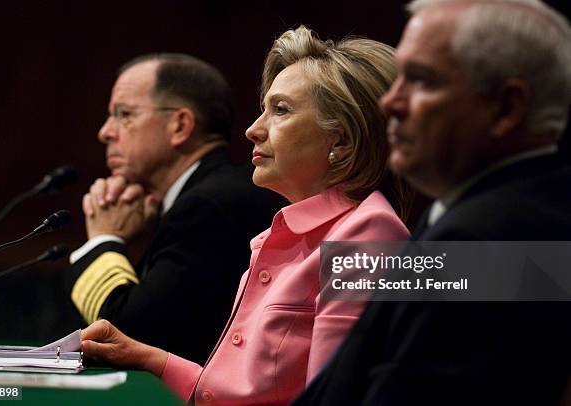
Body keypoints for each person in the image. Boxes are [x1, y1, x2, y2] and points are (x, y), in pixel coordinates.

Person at [79, 26, 411, 405]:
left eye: (281, 110)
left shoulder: (368, 232)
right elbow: (239, 391)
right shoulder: (277, 234)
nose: (254, 130)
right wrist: (148, 359)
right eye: (263, 110)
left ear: (341, 141)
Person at [293, 0, 571, 405]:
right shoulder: (484, 214)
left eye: (422, 81)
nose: (390, 102)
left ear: (507, 108)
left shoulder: (487, 242)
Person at [64, 53, 285, 364]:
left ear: (180, 125)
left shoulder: (208, 206)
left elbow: (130, 336)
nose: (106, 132)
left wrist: (103, 239)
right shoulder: (201, 196)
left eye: (124, 114)